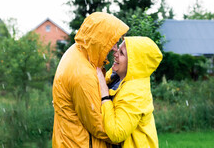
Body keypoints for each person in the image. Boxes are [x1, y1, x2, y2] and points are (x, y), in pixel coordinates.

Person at [52, 12, 129, 148]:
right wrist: (126, 135)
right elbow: (98, 126)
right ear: (101, 39)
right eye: (112, 42)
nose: (114, 48)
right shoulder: (83, 74)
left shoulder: (78, 51)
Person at [96, 36, 163, 148]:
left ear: (134, 63)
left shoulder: (136, 92)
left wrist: (105, 96)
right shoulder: (118, 77)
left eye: (121, 53)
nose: (115, 54)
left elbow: (117, 133)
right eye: (119, 49)